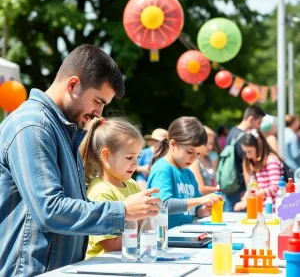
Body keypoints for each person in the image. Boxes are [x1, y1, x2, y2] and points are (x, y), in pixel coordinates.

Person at [0, 44, 161, 277]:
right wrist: (122, 210)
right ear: (73, 84)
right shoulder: (33, 126)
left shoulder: (63, 128)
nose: (100, 113)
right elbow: (50, 210)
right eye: (98, 101)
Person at [79, 117, 144, 259]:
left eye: (137, 157)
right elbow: (111, 246)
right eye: (129, 157)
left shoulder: (132, 184)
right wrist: (140, 220)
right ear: (106, 155)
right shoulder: (100, 193)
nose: (135, 163)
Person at [147, 117, 223, 229]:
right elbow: (164, 205)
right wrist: (200, 200)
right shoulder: (162, 169)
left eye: (198, 154)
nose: (194, 158)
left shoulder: (188, 173)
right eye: (190, 152)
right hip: (166, 241)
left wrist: (203, 210)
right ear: (172, 144)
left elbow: (195, 210)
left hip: (184, 237)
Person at [224, 105, 265, 212]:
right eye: (259, 123)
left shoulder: (232, 132)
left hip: (229, 184)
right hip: (240, 189)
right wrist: (250, 192)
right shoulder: (244, 138)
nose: (259, 127)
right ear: (251, 119)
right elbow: (246, 168)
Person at [234, 129, 283, 211]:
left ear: (258, 147)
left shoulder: (271, 161)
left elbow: (275, 187)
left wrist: (255, 194)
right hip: (261, 209)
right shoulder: (255, 164)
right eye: (245, 152)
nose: (247, 156)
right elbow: (253, 187)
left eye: (249, 151)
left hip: (273, 210)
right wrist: (246, 197)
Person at [189, 126, 217, 195]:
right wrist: (219, 189)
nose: (210, 147)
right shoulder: (194, 161)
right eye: (207, 144)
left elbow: (214, 181)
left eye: (211, 144)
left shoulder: (209, 159)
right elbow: (200, 188)